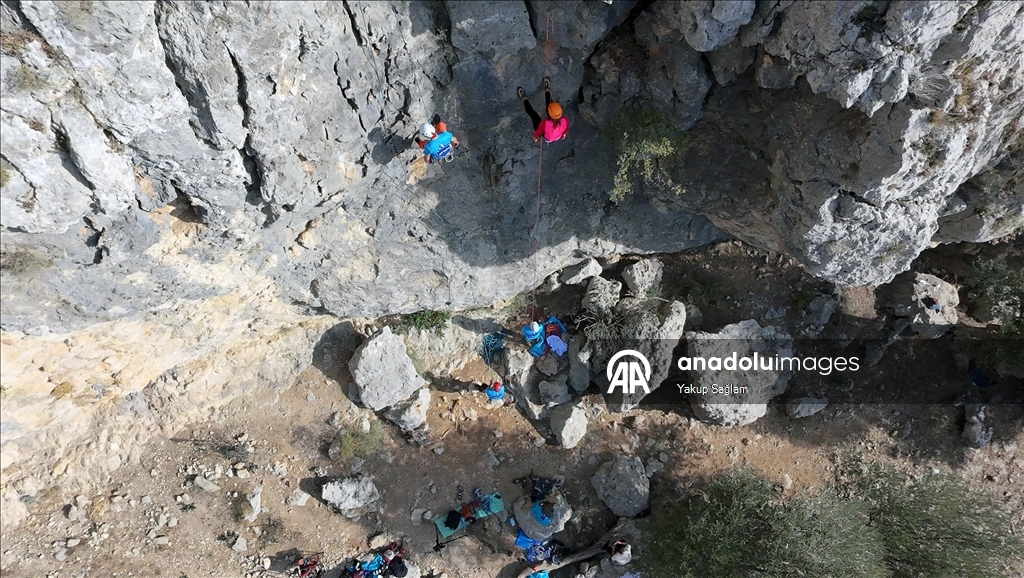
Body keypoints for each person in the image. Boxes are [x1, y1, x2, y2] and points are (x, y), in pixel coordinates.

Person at [517, 78, 569, 144]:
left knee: (534, 116)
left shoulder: (546, 124)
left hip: (546, 135)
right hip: (554, 137)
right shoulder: (565, 121)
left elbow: (539, 131)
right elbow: (565, 129)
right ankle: (545, 90)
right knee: (549, 105)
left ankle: (524, 98)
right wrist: (564, 134)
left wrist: (535, 136)